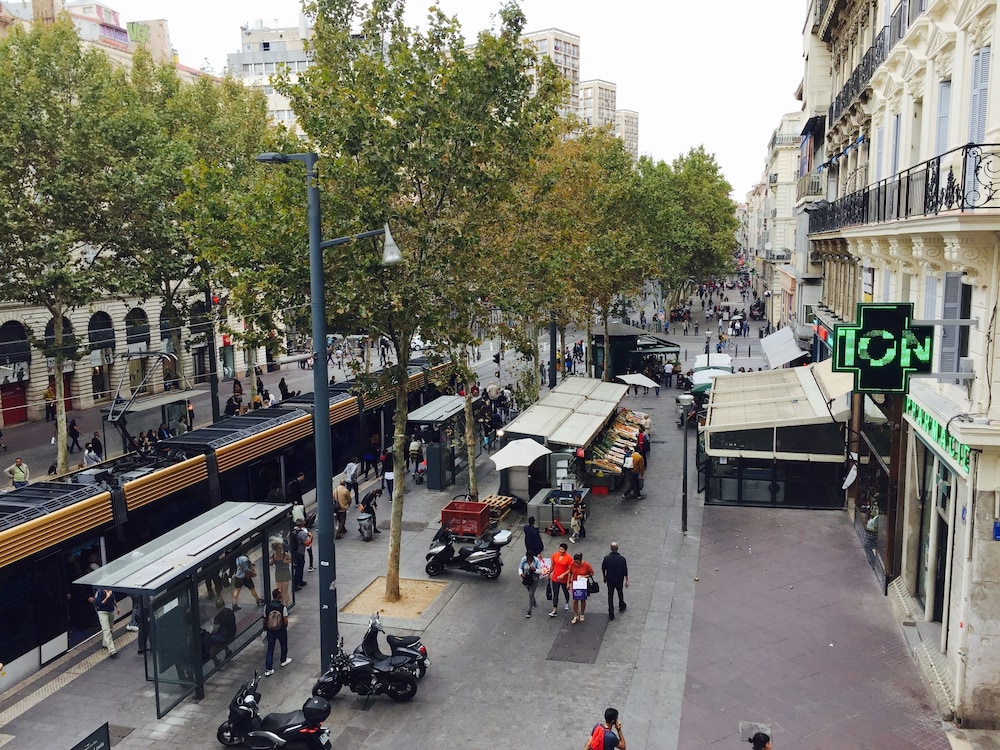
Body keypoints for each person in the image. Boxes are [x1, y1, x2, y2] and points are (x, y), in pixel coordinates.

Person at [262, 589, 292, 677]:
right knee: (283, 645)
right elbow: (285, 620)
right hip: (281, 630)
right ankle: (283, 660)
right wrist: (284, 627)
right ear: (278, 596)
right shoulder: (282, 607)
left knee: (270, 648)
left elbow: (265, 619)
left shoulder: (267, 606)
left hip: (270, 631)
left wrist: (265, 628)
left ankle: (268, 669)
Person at [88, 585, 119, 657]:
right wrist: (107, 597)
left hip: (111, 611)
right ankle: (112, 650)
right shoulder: (100, 592)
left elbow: (113, 598)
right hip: (102, 612)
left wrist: (117, 607)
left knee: (110, 628)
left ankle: (105, 643)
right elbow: (100, 604)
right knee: (106, 630)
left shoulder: (111, 590)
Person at [601, 542, 629, 620]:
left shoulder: (606, 558)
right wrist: (627, 580)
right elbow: (625, 570)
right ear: (617, 548)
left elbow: (603, 568)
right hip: (619, 579)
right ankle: (621, 605)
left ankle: (611, 612)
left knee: (610, 595)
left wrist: (604, 577)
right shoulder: (622, 559)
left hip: (610, 579)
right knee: (620, 592)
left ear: (611, 549)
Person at [568, 551, 595, 624]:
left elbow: (592, 573)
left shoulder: (586, 565)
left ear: (580, 560)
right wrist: (568, 583)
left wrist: (585, 576)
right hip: (575, 584)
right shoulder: (572, 564)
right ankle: (575, 615)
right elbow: (570, 573)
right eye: (575, 562)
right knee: (575, 600)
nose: (576, 563)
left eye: (577, 562)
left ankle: (582, 614)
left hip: (583, 584)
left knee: (583, 600)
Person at [209, 598, 237, 667]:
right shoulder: (229, 611)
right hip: (232, 633)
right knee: (222, 632)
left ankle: (216, 661)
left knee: (209, 642)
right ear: (224, 604)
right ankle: (227, 650)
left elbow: (215, 630)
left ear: (216, 607)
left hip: (226, 637)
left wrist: (210, 634)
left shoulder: (218, 617)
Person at [548, 542, 573, 617]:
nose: (561, 551)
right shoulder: (554, 555)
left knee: (565, 591)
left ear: (565, 550)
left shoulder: (569, 558)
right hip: (555, 577)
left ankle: (567, 602)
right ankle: (555, 609)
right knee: (555, 593)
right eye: (560, 549)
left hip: (564, 579)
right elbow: (552, 565)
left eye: (562, 549)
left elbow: (570, 569)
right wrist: (549, 573)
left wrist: (563, 575)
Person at [518, 551, 541, 618]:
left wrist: (535, 570)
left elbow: (540, 571)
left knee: (530, 593)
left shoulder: (536, 561)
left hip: (534, 579)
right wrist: (521, 574)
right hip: (526, 579)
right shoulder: (523, 560)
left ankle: (529, 611)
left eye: (531, 558)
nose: (530, 560)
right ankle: (534, 601)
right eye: (529, 558)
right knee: (530, 592)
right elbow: (520, 568)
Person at [289, 521, 310, 592]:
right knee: (299, 568)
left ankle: (299, 581)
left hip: (293, 552)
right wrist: (310, 536)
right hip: (300, 552)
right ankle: (295, 585)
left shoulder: (292, 531)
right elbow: (307, 542)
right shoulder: (302, 533)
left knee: (297, 567)